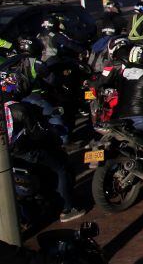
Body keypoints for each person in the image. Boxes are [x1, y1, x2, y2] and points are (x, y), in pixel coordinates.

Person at [2, 71, 86, 221]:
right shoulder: (20, 109)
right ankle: (69, 209)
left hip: (6, 154)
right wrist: (51, 132)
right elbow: (37, 133)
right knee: (61, 167)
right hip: (23, 152)